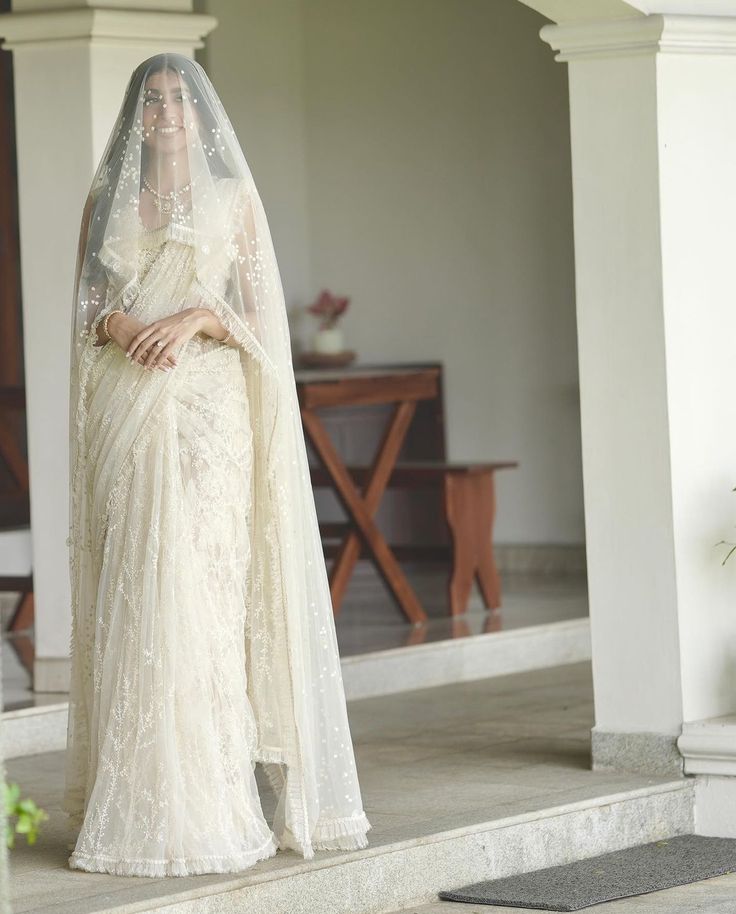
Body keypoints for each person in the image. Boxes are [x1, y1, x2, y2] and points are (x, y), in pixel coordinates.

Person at [63, 52, 371, 878]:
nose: (165, 113)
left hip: (210, 415)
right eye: (152, 100)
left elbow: (263, 326)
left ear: (201, 116)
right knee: (139, 584)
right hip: (129, 407)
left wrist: (200, 313)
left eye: (178, 100)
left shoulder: (234, 201)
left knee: (200, 591)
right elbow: (89, 309)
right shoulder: (107, 198)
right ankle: (136, 801)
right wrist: (123, 329)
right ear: (137, 115)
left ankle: (219, 803)